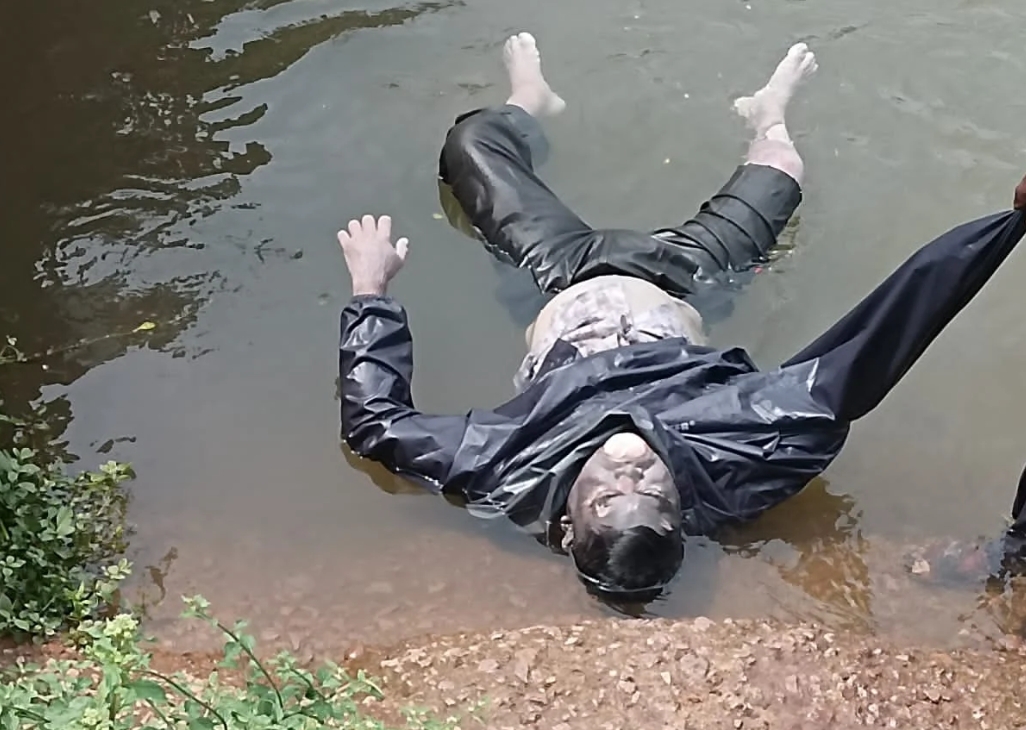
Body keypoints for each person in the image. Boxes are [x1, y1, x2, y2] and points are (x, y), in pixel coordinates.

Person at [338, 33, 1026, 601]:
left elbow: (375, 427)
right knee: (781, 171)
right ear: (683, 514)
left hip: (555, 276)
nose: (631, 473)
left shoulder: (505, 471)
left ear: (567, 528)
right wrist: (1001, 233)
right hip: (685, 277)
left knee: (467, 145)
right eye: (655, 497)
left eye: (606, 499)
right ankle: (768, 113)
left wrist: (371, 292)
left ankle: (529, 102)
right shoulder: (741, 450)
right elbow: (883, 337)